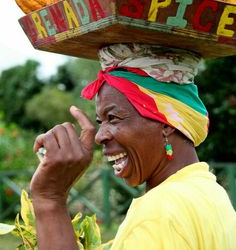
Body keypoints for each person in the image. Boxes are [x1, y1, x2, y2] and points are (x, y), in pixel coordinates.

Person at [30, 44, 236, 250]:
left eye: (113, 117)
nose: (99, 136)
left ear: (166, 123)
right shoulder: (211, 193)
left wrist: (50, 201)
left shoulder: (159, 213)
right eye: (100, 122)